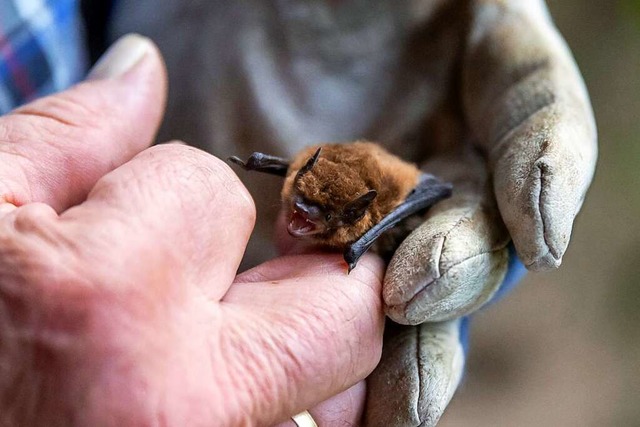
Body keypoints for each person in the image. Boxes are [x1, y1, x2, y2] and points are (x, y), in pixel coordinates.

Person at [0, 1, 597, 426]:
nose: (300, 218)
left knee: (420, 280)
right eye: (299, 203)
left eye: (315, 216)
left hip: (395, 198)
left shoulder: (367, 215)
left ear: (352, 218)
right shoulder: (304, 171)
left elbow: (410, 203)